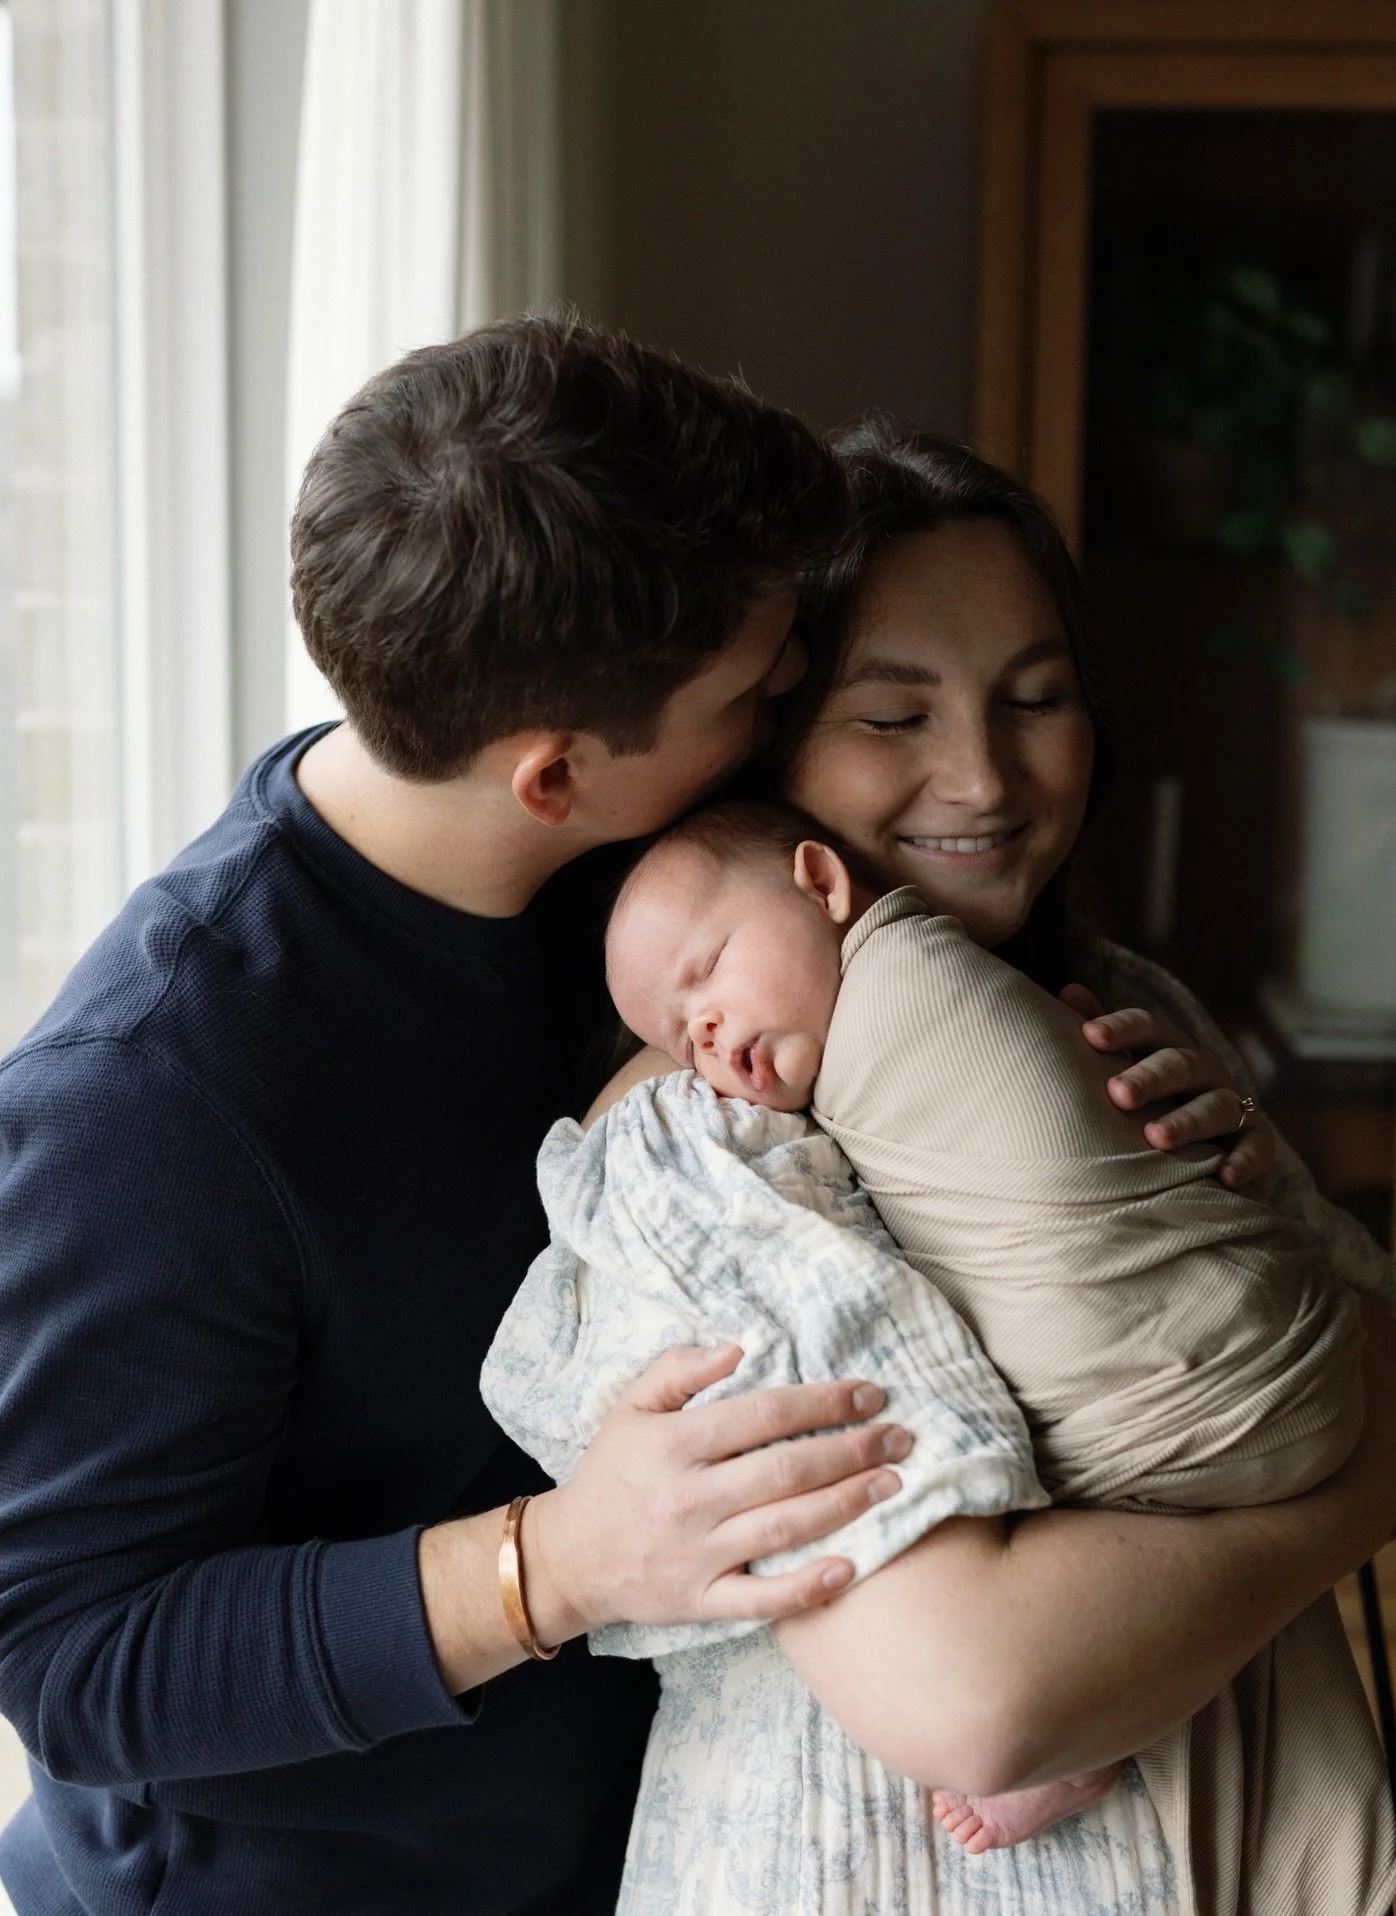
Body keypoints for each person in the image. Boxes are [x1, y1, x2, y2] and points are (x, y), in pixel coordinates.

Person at [0, 319, 926, 1916]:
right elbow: (74, 1661)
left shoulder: (644, 888)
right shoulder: (146, 1102)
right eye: (747, 687)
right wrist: (556, 1565)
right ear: (553, 774)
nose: (788, 695)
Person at [560, 425, 1396, 1914]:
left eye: (1037, 698)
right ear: (772, 763)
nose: (982, 774)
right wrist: (1322, 1489)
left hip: (1249, 1829)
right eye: (891, 716)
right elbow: (978, 1696)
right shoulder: (702, 1134)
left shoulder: (1122, 1008)